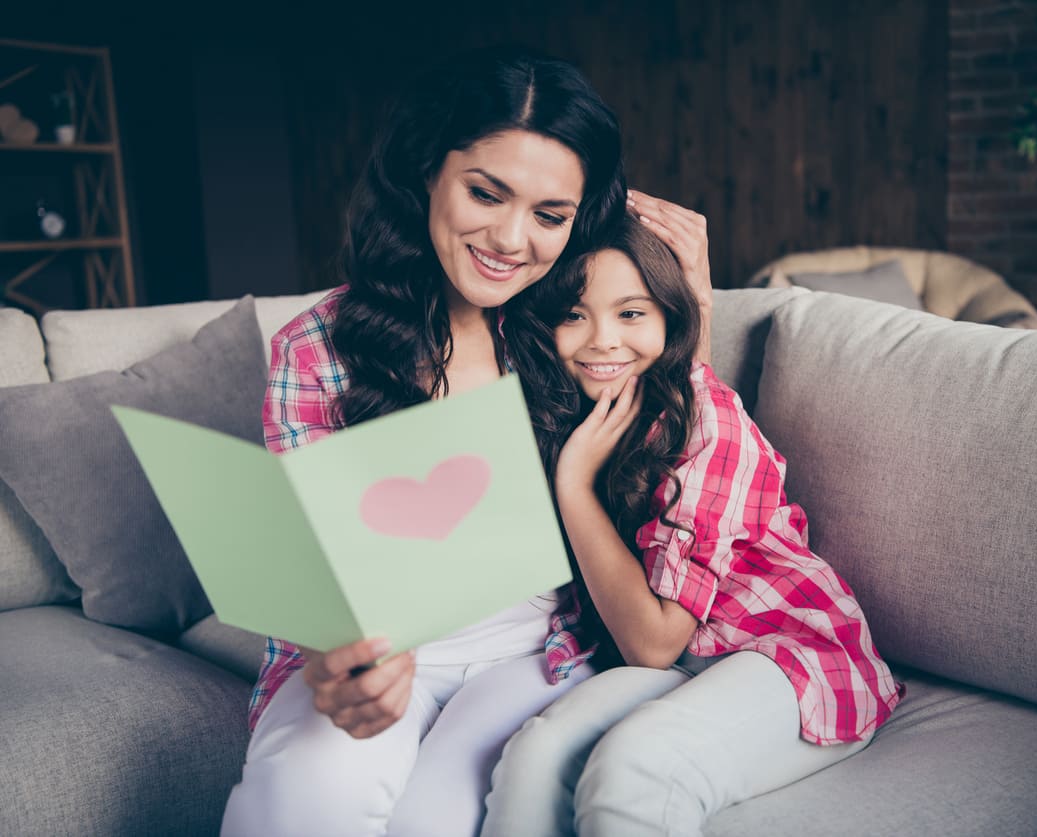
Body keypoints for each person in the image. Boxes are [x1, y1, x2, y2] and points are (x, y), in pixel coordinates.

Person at [220, 47, 712, 837]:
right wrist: (343, 657)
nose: (512, 240)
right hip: (385, 647)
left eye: (549, 215)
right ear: (425, 174)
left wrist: (696, 301)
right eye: (487, 193)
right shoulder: (315, 347)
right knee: (303, 800)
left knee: (435, 820)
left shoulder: (566, 327)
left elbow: (676, 431)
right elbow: (308, 569)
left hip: (534, 652)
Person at [482, 217, 904, 836]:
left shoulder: (708, 424)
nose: (602, 340)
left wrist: (573, 486)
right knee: (533, 756)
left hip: (789, 656)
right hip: (684, 663)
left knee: (635, 768)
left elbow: (651, 642)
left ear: (668, 320)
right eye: (573, 315)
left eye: (631, 314)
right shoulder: (576, 416)